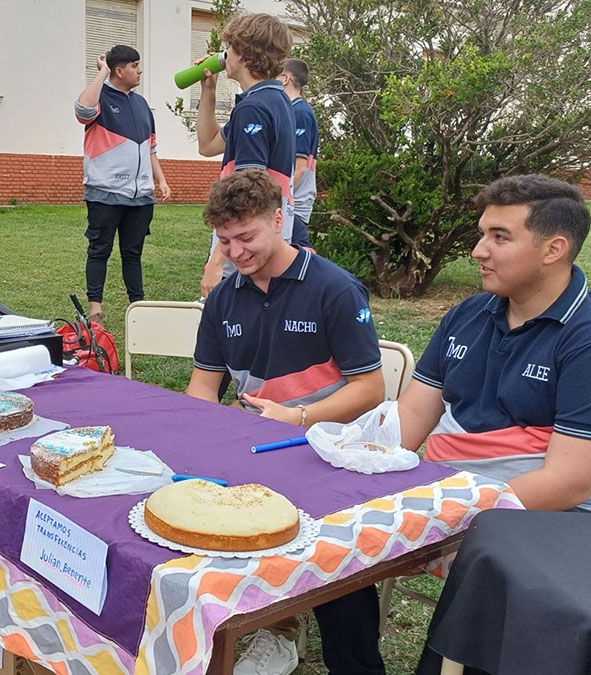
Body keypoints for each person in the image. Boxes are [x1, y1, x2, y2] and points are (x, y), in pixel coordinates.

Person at [187, 170, 387, 675]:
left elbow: (370, 390)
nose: (235, 252)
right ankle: (247, 633)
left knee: (338, 573)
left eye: (247, 237)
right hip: (250, 451)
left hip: (326, 454)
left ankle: (351, 661)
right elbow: (203, 385)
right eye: (226, 241)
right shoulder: (224, 297)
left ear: (280, 220)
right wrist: (198, 433)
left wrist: (297, 417)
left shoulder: (335, 289)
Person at [398, 175, 591, 515]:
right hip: (465, 499)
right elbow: (413, 412)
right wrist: (366, 469)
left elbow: (566, 485)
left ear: (553, 249)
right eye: (482, 234)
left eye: (500, 237)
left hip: (573, 524)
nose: (478, 251)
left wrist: (433, 511)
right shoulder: (467, 315)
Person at [195, 12, 297, 300]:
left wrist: (217, 261)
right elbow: (208, 144)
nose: (225, 54)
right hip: (266, 232)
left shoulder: (255, 108)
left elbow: (247, 193)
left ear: (243, 52)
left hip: (247, 235)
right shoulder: (273, 101)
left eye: (229, 46)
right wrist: (208, 90)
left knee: (231, 318)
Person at [74, 44, 169, 324]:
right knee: (99, 250)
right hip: (105, 194)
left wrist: (160, 179)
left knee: (133, 254)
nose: (140, 71)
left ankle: (137, 307)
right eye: (134, 66)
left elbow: (150, 147)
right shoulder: (99, 97)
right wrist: (101, 73)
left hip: (140, 198)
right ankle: (95, 310)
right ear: (119, 70)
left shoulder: (141, 104)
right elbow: (82, 110)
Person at [280, 58, 315, 249]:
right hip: (286, 205)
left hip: (293, 206)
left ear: (285, 79)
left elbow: (299, 167)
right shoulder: (289, 111)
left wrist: (278, 201)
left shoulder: (299, 113)